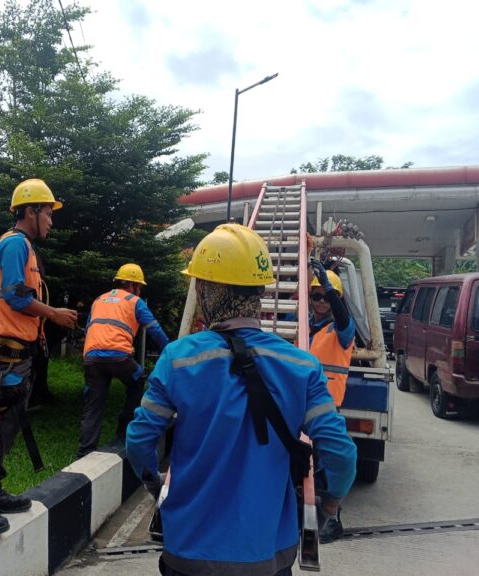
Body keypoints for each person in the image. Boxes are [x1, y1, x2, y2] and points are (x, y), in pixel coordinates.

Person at [126, 223, 357, 576]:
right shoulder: (301, 365)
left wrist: (155, 487)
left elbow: (139, 441)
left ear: (208, 291)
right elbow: (341, 453)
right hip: (268, 556)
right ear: (259, 291)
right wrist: (328, 507)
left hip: (189, 554)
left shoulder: (178, 359)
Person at [0, 178, 77, 536]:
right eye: (48, 213)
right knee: (1, 423)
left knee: (8, 424)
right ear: (30, 211)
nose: (51, 221)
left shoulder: (23, 246)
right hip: (8, 356)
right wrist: (53, 314)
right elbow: (15, 297)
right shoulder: (15, 244)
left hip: (17, 354)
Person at [76, 263, 170, 458]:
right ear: (131, 285)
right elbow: (155, 329)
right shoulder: (134, 301)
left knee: (93, 404)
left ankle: (85, 451)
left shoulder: (99, 299)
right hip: (118, 357)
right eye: (139, 287)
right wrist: (170, 351)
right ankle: (123, 434)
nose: (140, 291)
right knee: (138, 379)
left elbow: (88, 329)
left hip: (92, 358)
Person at [308, 259, 356, 543]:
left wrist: (328, 285)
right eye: (317, 296)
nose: (322, 301)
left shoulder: (342, 331)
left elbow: (343, 318)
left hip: (327, 405)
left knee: (332, 461)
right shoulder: (305, 327)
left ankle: (333, 518)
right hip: (301, 403)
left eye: (328, 297)